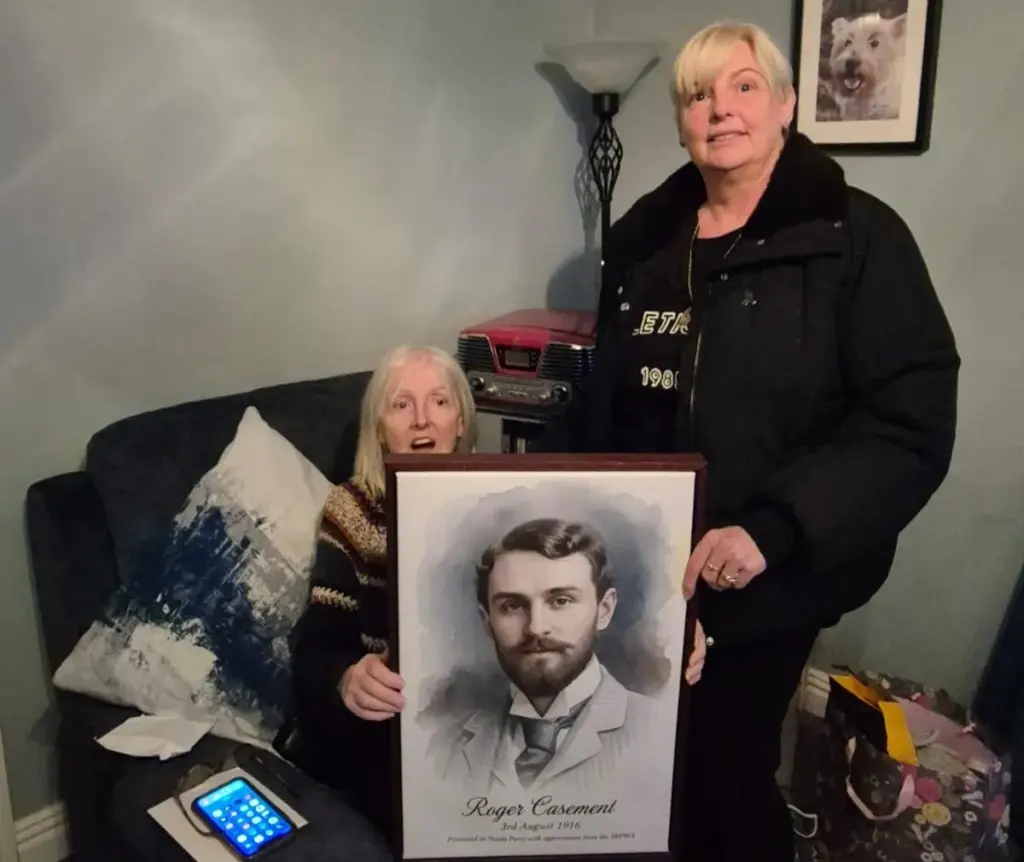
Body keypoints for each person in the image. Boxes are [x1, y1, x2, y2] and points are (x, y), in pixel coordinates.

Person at [536, 20, 959, 862]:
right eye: (697, 94)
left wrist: (771, 529)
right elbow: (608, 408)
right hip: (645, 568)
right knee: (623, 761)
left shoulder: (857, 238)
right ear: (681, 121)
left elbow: (907, 423)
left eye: (743, 87)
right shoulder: (644, 246)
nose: (719, 108)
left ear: (786, 105)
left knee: (724, 773)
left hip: (770, 573)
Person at [290, 346, 708, 837]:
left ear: (461, 422)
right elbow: (319, 636)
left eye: (439, 401)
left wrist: (677, 619)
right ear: (379, 427)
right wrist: (345, 678)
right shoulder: (352, 509)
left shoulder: (502, 493)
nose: (422, 419)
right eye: (401, 404)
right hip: (395, 738)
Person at [427, 517, 659, 793]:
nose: (536, 628)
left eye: (561, 601)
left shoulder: (661, 730)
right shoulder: (440, 744)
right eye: (512, 606)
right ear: (487, 620)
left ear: (604, 610)